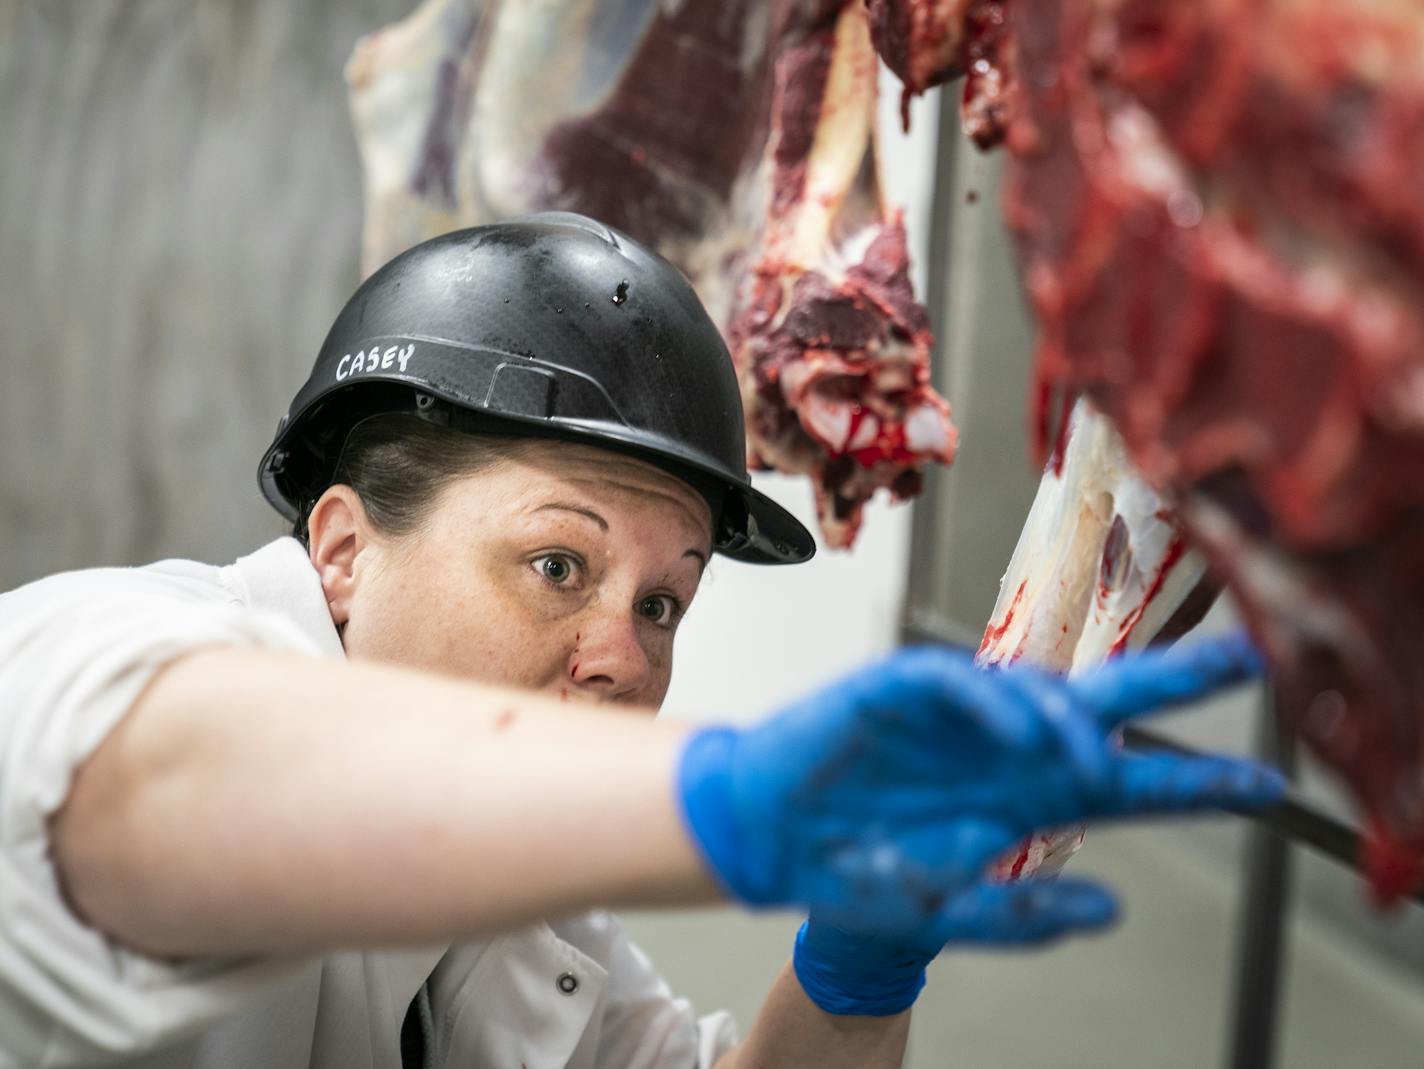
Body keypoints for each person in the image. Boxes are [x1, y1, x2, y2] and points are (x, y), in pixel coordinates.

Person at [0, 213, 1282, 1069]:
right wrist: (721, 798)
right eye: (555, 564)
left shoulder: (521, 918)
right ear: (340, 548)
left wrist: (853, 969)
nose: (622, 654)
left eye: (661, 602)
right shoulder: (103, 642)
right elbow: (151, 784)